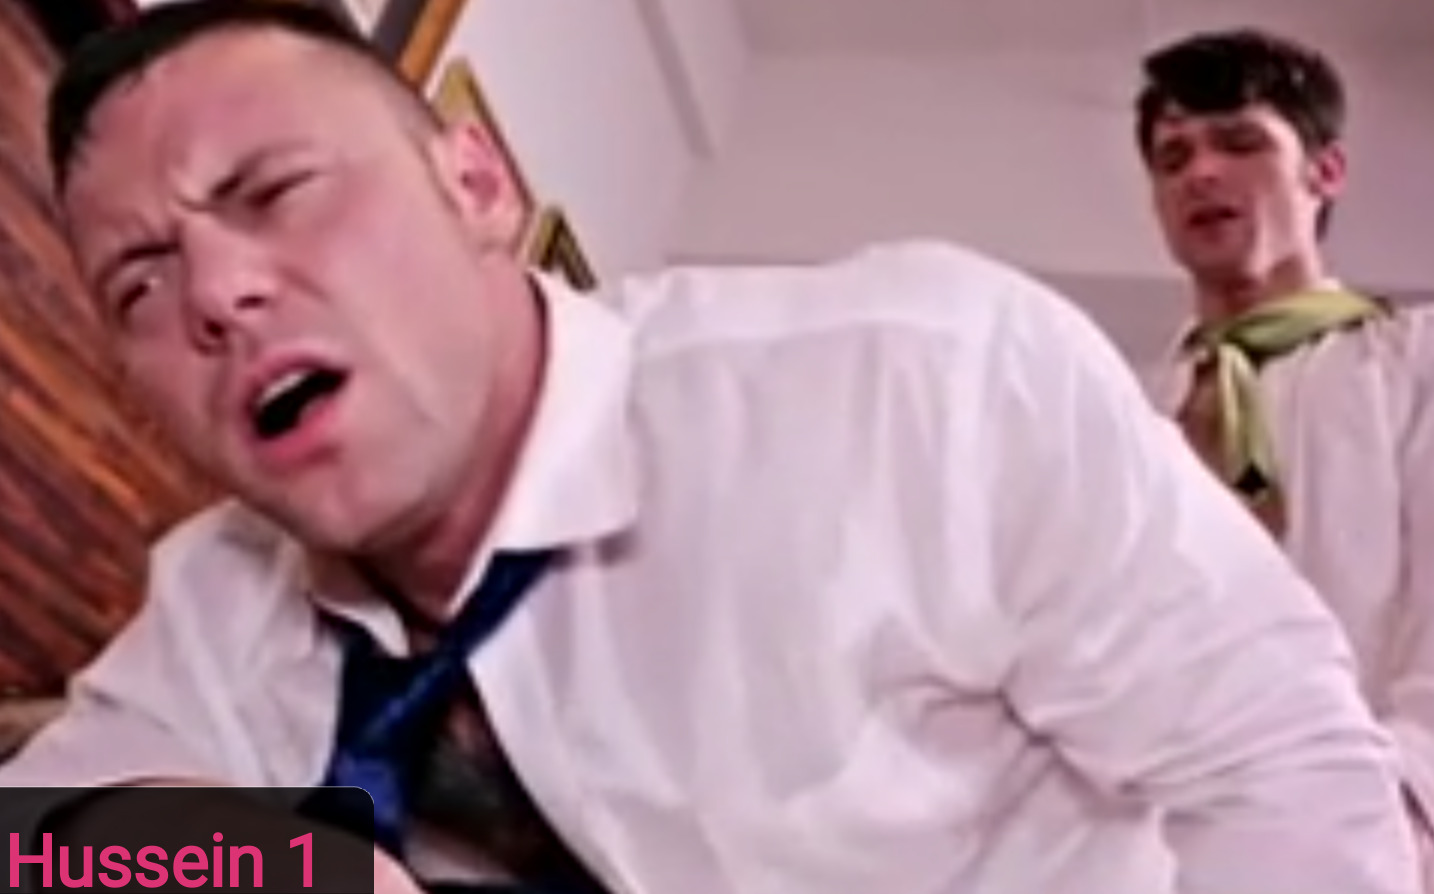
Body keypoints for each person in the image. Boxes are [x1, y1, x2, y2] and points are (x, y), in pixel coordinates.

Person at [0, 3, 1420, 893]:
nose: (214, 293)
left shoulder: (920, 385)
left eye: (273, 191)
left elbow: (1288, 774)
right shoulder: (223, 596)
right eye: (137, 282)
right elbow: (39, 834)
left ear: (476, 184)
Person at [1133, 27, 1434, 878]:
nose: (1200, 172)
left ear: (1324, 172)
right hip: (1155, 844)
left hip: (1361, 833)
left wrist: (1406, 804)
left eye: (1240, 143)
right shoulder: (1126, 415)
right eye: (1172, 157)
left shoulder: (1412, 362)